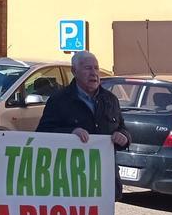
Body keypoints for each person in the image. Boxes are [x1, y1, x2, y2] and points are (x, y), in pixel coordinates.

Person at [37, 51, 130, 198]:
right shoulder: (59, 100)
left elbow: (122, 128)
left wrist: (123, 137)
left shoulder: (110, 99)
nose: (94, 73)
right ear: (74, 71)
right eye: (88, 68)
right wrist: (71, 133)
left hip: (105, 179)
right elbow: (42, 133)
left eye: (96, 68)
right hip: (71, 180)